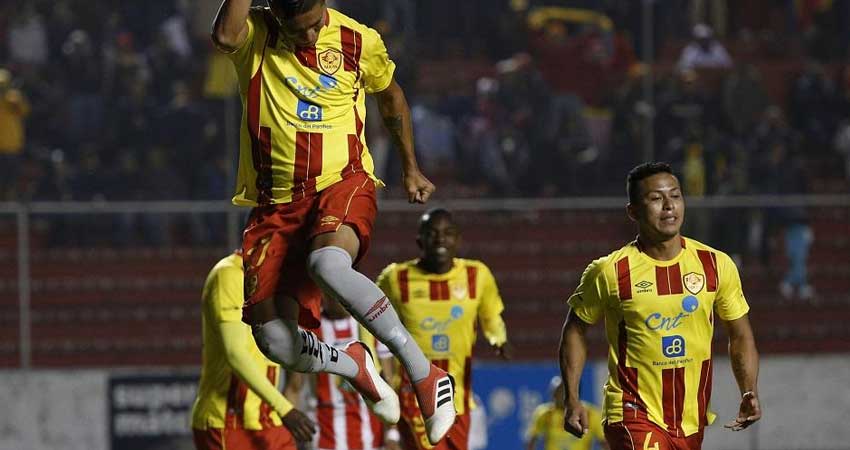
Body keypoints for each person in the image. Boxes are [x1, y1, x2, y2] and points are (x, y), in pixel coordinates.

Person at [211, 0, 455, 445]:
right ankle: (353, 364)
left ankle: (425, 375)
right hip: (275, 207)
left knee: (328, 264)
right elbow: (225, 35)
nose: (307, 37)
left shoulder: (359, 40)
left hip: (341, 182)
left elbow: (392, 95)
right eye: (295, 29)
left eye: (312, 26)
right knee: (274, 342)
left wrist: (410, 167)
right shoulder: (259, 36)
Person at [559, 162, 761, 449]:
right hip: (631, 412)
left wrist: (748, 390)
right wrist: (572, 398)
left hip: (690, 418)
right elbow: (575, 329)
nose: (668, 206)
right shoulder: (611, 271)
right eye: (655, 198)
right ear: (633, 211)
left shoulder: (716, 265)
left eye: (675, 196)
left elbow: (740, 334)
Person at [376, 208, 510, 450]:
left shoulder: (477, 275)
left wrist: (498, 339)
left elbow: (492, 318)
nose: (440, 239)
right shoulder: (396, 278)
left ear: (458, 239)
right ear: (420, 240)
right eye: (432, 233)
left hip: (459, 397)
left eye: (448, 233)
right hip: (414, 394)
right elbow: (370, 317)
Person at [191, 251, 316, 450]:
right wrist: (285, 408)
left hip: (269, 420)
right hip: (229, 422)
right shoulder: (230, 274)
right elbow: (235, 354)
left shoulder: (279, 281)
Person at [287, 296, 393, 450]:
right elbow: (294, 387)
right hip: (325, 436)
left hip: (372, 436)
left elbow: (389, 382)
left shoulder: (371, 325)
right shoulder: (309, 329)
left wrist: (392, 433)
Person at [525, 376, 605, 450]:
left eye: (559, 392)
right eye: (554, 392)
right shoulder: (544, 413)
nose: (554, 396)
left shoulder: (590, 413)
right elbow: (532, 440)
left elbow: (604, 442)